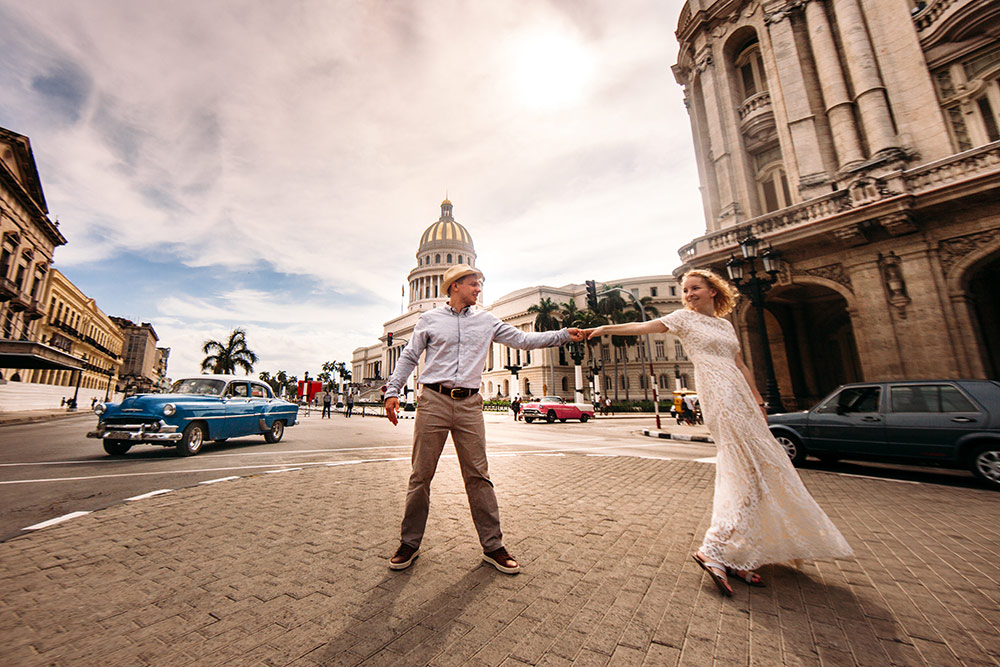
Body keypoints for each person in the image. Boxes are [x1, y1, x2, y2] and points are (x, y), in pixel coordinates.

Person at [583, 269, 852, 597]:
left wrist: (758, 400)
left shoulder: (725, 325)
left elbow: (740, 365)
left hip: (740, 392)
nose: (689, 294)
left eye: (695, 288)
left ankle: (739, 552)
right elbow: (640, 327)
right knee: (742, 466)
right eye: (685, 290)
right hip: (718, 393)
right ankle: (714, 547)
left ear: (713, 290)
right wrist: (601, 329)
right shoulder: (684, 319)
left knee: (758, 471)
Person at [384, 265, 585, 574]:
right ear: (454, 286)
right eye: (473, 284)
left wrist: (562, 336)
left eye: (479, 284)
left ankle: (493, 546)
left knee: (479, 476)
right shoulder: (429, 320)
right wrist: (393, 391)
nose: (478, 289)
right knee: (420, 476)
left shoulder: (487, 320)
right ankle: (409, 542)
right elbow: (410, 356)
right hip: (433, 401)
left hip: (469, 404)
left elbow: (522, 340)